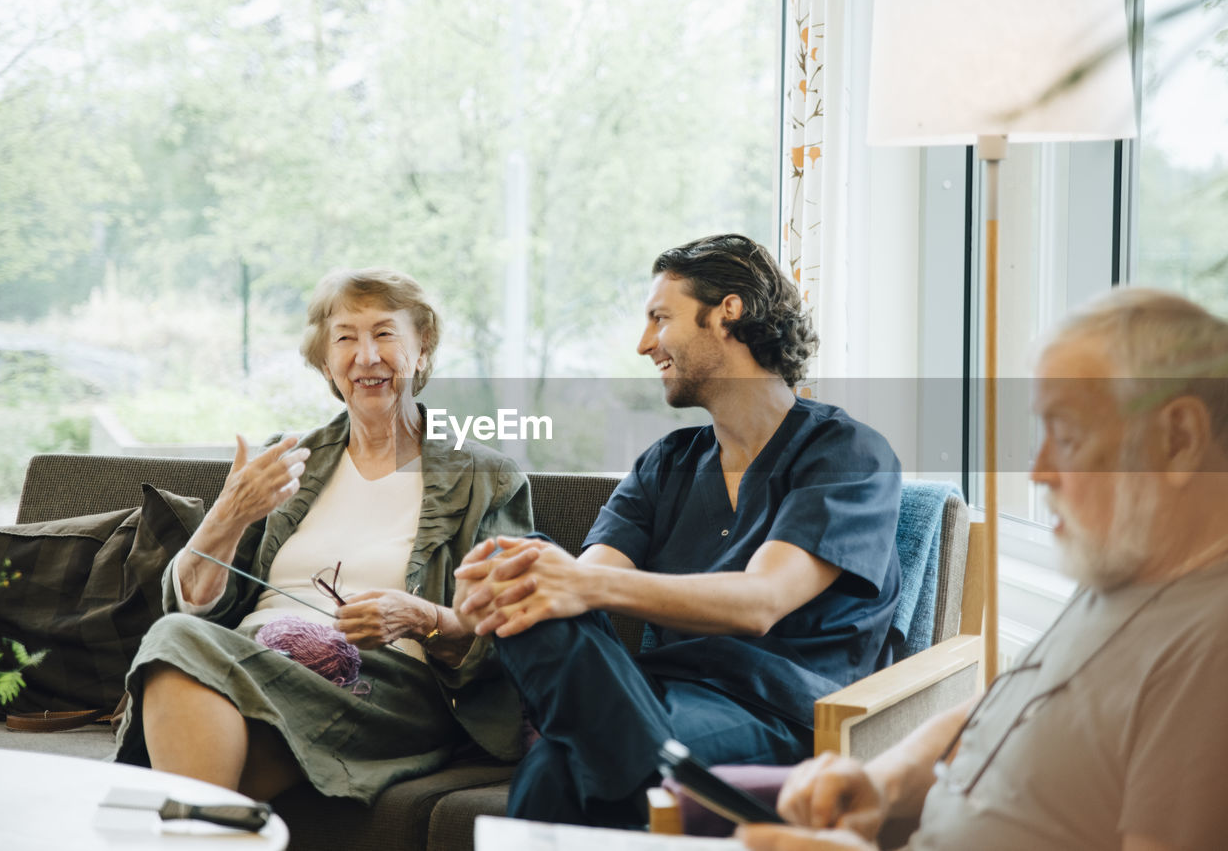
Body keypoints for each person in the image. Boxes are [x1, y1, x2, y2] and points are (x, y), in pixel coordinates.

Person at [738, 288, 1228, 851]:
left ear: (1179, 438)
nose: (1039, 471)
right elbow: (1007, 707)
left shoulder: (1210, 652)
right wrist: (881, 780)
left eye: (1066, 438)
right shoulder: (1131, 572)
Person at [454, 233, 903, 828]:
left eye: (659, 319)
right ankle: (651, 763)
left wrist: (576, 587)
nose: (644, 345)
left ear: (728, 312)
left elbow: (762, 602)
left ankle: (642, 761)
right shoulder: (666, 462)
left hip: (775, 709)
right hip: (650, 694)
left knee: (556, 771)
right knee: (524, 556)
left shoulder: (845, 454)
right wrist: (505, 585)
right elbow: (587, 581)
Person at [114, 267, 534, 805]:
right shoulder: (285, 461)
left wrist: (422, 616)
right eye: (345, 338)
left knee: (173, 642)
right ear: (325, 360)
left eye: (385, 334)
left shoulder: (487, 477)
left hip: (382, 685)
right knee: (216, 774)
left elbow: (509, 633)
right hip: (253, 667)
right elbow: (192, 605)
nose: (366, 357)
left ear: (422, 349)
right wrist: (228, 514)